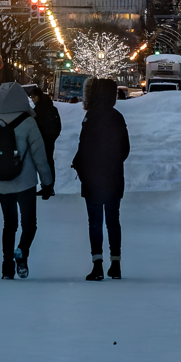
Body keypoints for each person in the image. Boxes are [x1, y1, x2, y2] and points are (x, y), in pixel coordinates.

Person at [0, 81, 54, 279]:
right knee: (29, 224)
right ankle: (22, 252)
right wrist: (47, 183)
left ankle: (6, 267)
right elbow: (40, 155)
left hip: (2, 184)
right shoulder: (28, 123)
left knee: (9, 224)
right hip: (26, 183)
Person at [72, 77, 130, 281]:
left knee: (95, 222)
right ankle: (116, 263)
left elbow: (84, 147)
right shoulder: (117, 117)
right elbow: (125, 149)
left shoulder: (91, 117)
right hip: (113, 177)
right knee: (113, 221)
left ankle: (97, 264)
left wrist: (84, 166)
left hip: (93, 178)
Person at [28, 85, 62, 182]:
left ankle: (48, 185)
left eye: (34, 97)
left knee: (45, 162)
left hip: (44, 140)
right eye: (32, 97)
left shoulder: (40, 110)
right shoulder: (49, 108)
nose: (33, 99)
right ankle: (48, 185)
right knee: (47, 162)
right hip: (48, 140)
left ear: (39, 96)